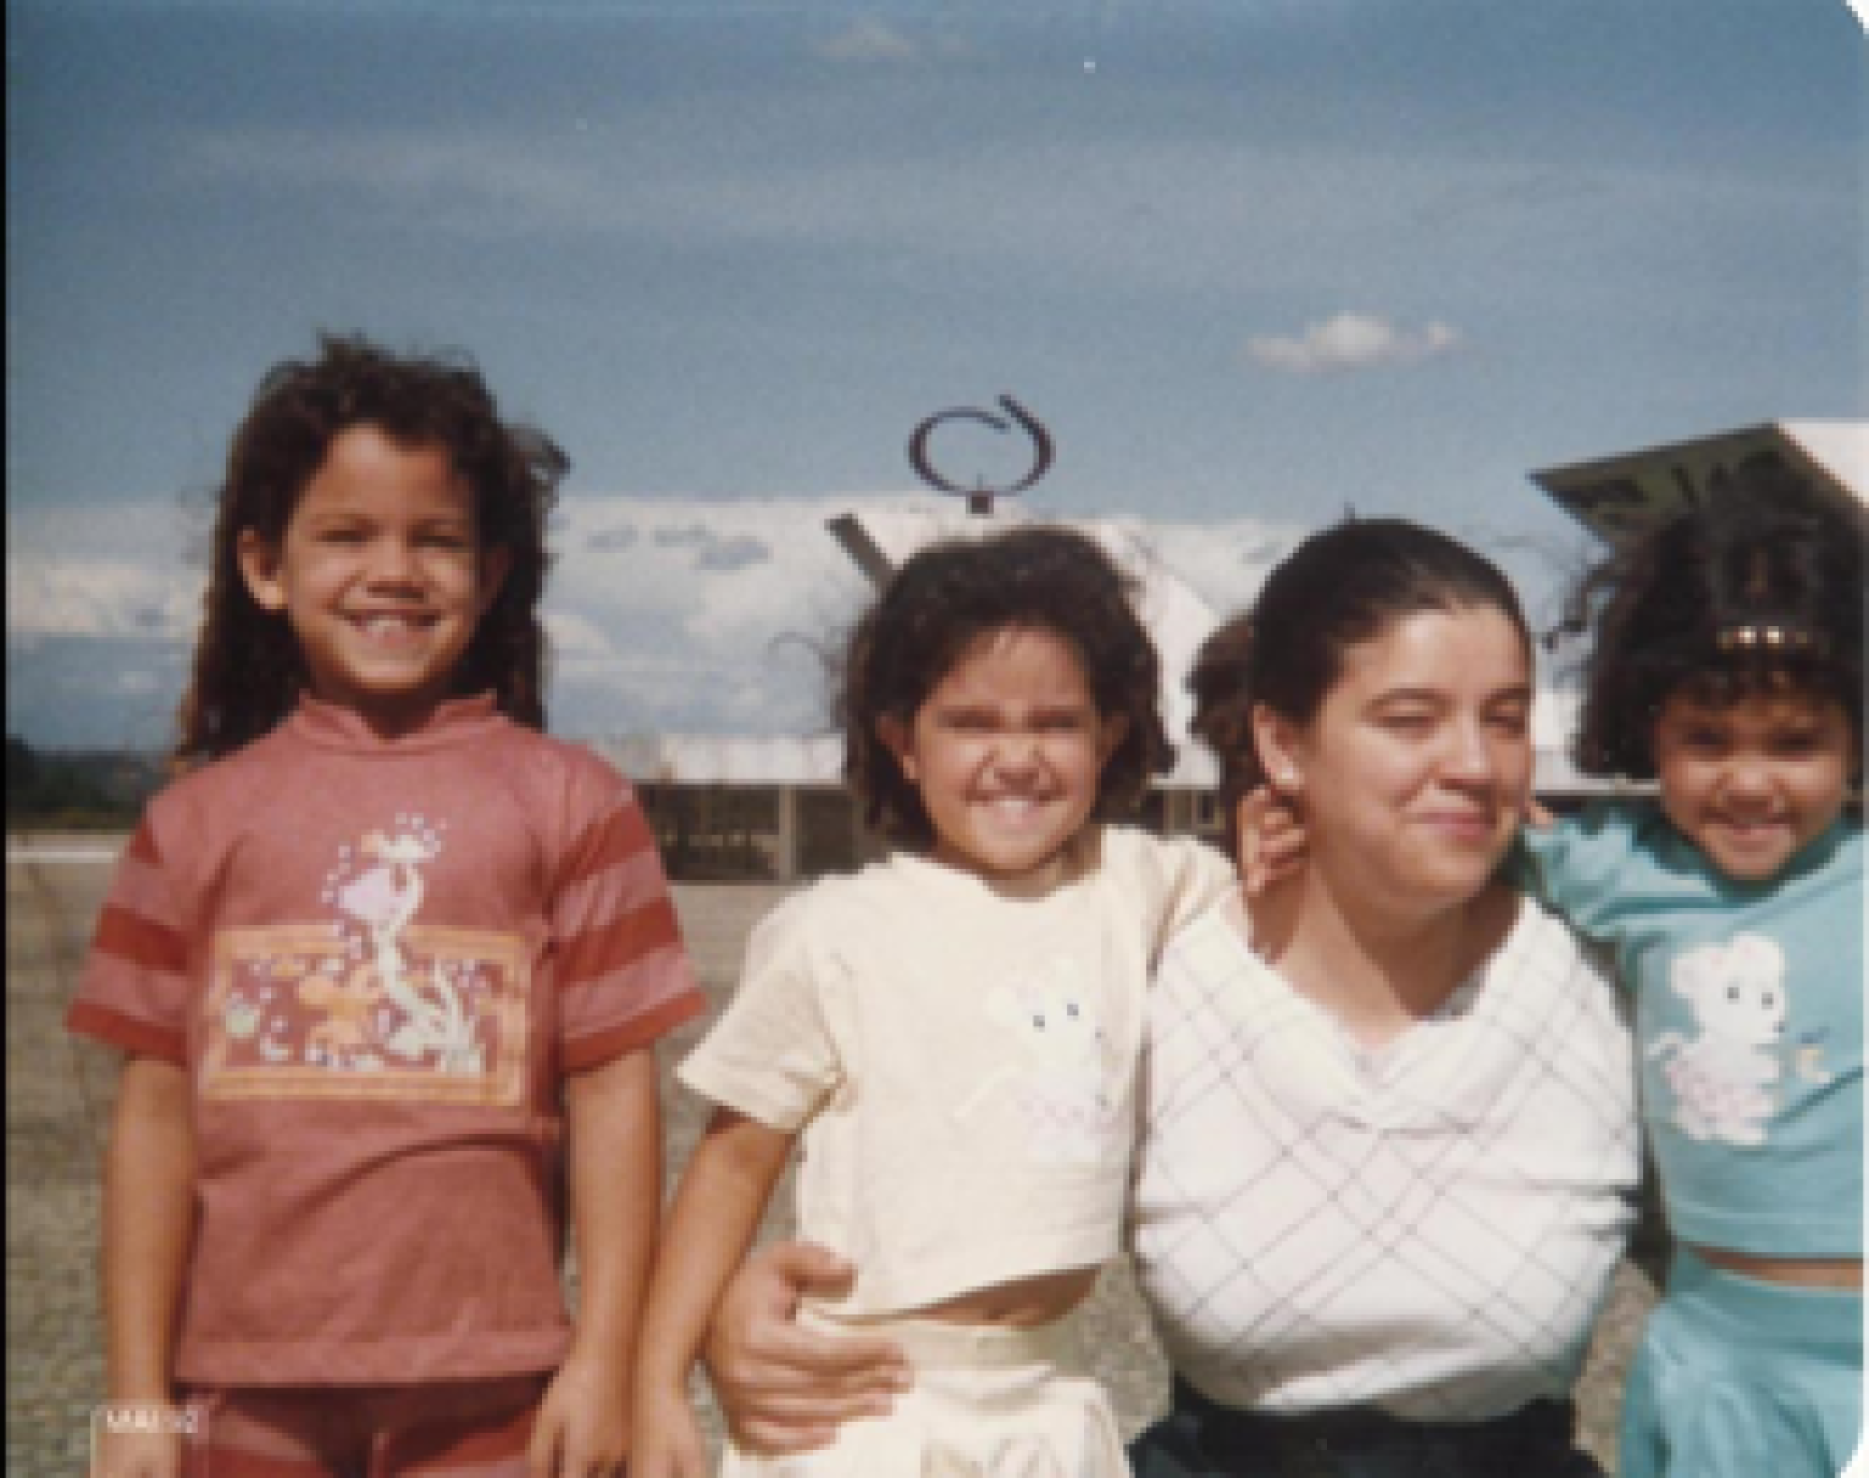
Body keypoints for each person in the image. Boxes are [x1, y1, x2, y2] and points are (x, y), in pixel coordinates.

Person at [700, 519, 1641, 1478]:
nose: (1474, 765)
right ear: (1280, 742)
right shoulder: (1164, 969)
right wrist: (745, 1312)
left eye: (1505, 718)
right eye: (1410, 719)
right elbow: (939, 1107)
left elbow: (1768, 1252)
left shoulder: (1612, 980)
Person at [68, 334, 706, 1478]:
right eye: (348, 535)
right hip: (243, 1393)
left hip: (494, 1394)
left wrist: (602, 1359)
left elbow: (615, 1094)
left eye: (437, 538)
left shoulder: (573, 800)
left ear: (493, 572)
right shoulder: (194, 822)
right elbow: (153, 1122)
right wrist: (132, 1407)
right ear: (266, 567)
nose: (394, 569)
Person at [630, 525, 1237, 1477]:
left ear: (1108, 734)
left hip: (1048, 1398)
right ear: (901, 742)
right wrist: (658, 1385)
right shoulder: (835, 930)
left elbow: (1292, 899)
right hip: (862, 1407)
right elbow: (731, 1165)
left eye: (1055, 723)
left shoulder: (1143, 887)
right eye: (972, 723)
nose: (1017, 756)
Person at [1509, 481, 1865, 1478]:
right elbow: (1456, 838)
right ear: (1642, 725)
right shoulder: (1623, 867)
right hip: (1720, 1358)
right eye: (1706, 740)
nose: (1748, 780)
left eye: (1795, 742)